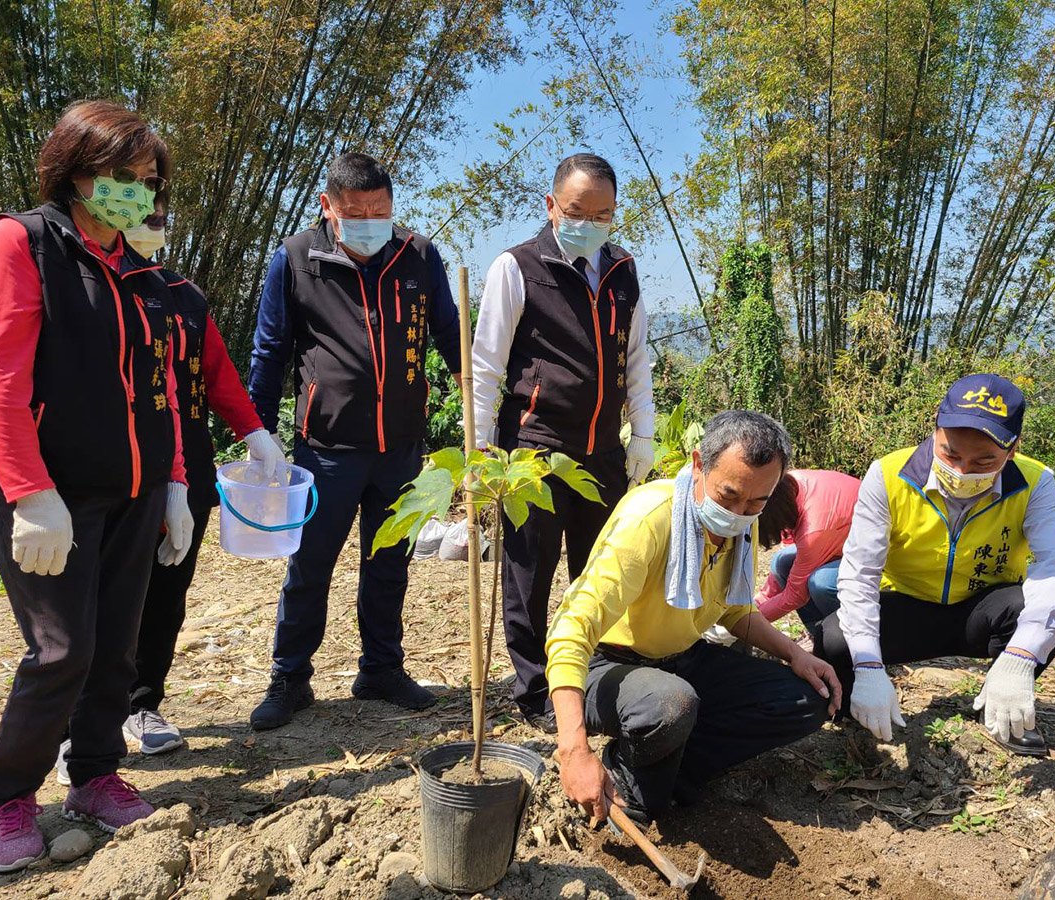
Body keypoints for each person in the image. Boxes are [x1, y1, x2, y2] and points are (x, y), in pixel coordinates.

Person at [0, 100, 194, 868]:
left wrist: (174, 482)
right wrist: (27, 491)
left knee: (117, 645)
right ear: (74, 171)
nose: (139, 194)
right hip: (55, 495)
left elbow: (163, 388)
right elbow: (4, 381)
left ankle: (96, 775)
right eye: (123, 177)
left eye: (148, 181)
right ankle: (10, 793)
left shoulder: (142, 270)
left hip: (137, 488)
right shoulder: (25, 242)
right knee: (61, 650)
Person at [247, 151, 462, 730]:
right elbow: (270, 350)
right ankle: (290, 677)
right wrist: (258, 432)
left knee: (389, 561)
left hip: (401, 447)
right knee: (310, 564)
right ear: (328, 207)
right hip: (327, 447)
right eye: (357, 211)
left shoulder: (417, 255)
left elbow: (447, 332)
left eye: (381, 210)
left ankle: (381, 669)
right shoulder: (296, 259)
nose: (371, 220)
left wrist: (479, 406)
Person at [545, 411, 840, 824]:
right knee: (670, 708)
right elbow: (572, 629)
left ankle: (668, 762)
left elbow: (735, 611)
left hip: (682, 660)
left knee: (808, 700)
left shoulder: (744, 527)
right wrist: (574, 748)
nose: (740, 513)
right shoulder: (650, 519)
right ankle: (631, 768)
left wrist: (795, 654)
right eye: (729, 496)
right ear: (699, 464)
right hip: (611, 665)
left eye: (758, 501)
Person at [472, 153, 655, 733]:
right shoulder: (518, 267)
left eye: (602, 214)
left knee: (601, 569)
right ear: (551, 206)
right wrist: (481, 455)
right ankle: (533, 689)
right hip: (534, 448)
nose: (589, 222)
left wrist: (642, 433)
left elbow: (637, 359)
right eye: (577, 211)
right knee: (529, 574)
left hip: (603, 449)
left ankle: (593, 674)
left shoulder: (623, 270)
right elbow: (485, 366)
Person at [813, 374, 1055, 756]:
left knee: (1031, 616)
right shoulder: (889, 475)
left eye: (984, 461)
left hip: (979, 612)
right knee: (835, 640)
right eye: (950, 453)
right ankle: (856, 707)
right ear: (935, 431)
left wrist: (1022, 656)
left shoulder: (1034, 483)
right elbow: (859, 574)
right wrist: (870, 666)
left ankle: (1003, 708)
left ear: (1013, 449)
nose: (963, 470)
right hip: (905, 606)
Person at [120, 207, 284, 754]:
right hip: (116, 462)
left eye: (158, 213)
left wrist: (255, 433)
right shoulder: (90, 287)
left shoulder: (184, 296)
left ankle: (142, 703)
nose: (149, 223)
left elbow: (217, 375)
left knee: (167, 590)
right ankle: (82, 724)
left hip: (187, 461)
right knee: (106, 594)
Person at [754, 469, 861, 628]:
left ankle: (844, 636)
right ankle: (816, 631)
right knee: (781, 561)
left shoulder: (813, 530)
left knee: (821, 582)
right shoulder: (789, 485)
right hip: (842, 539)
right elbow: (790, 553)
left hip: (881, 559)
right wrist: (757, 603)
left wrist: (748, 621)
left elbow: (795, 595)